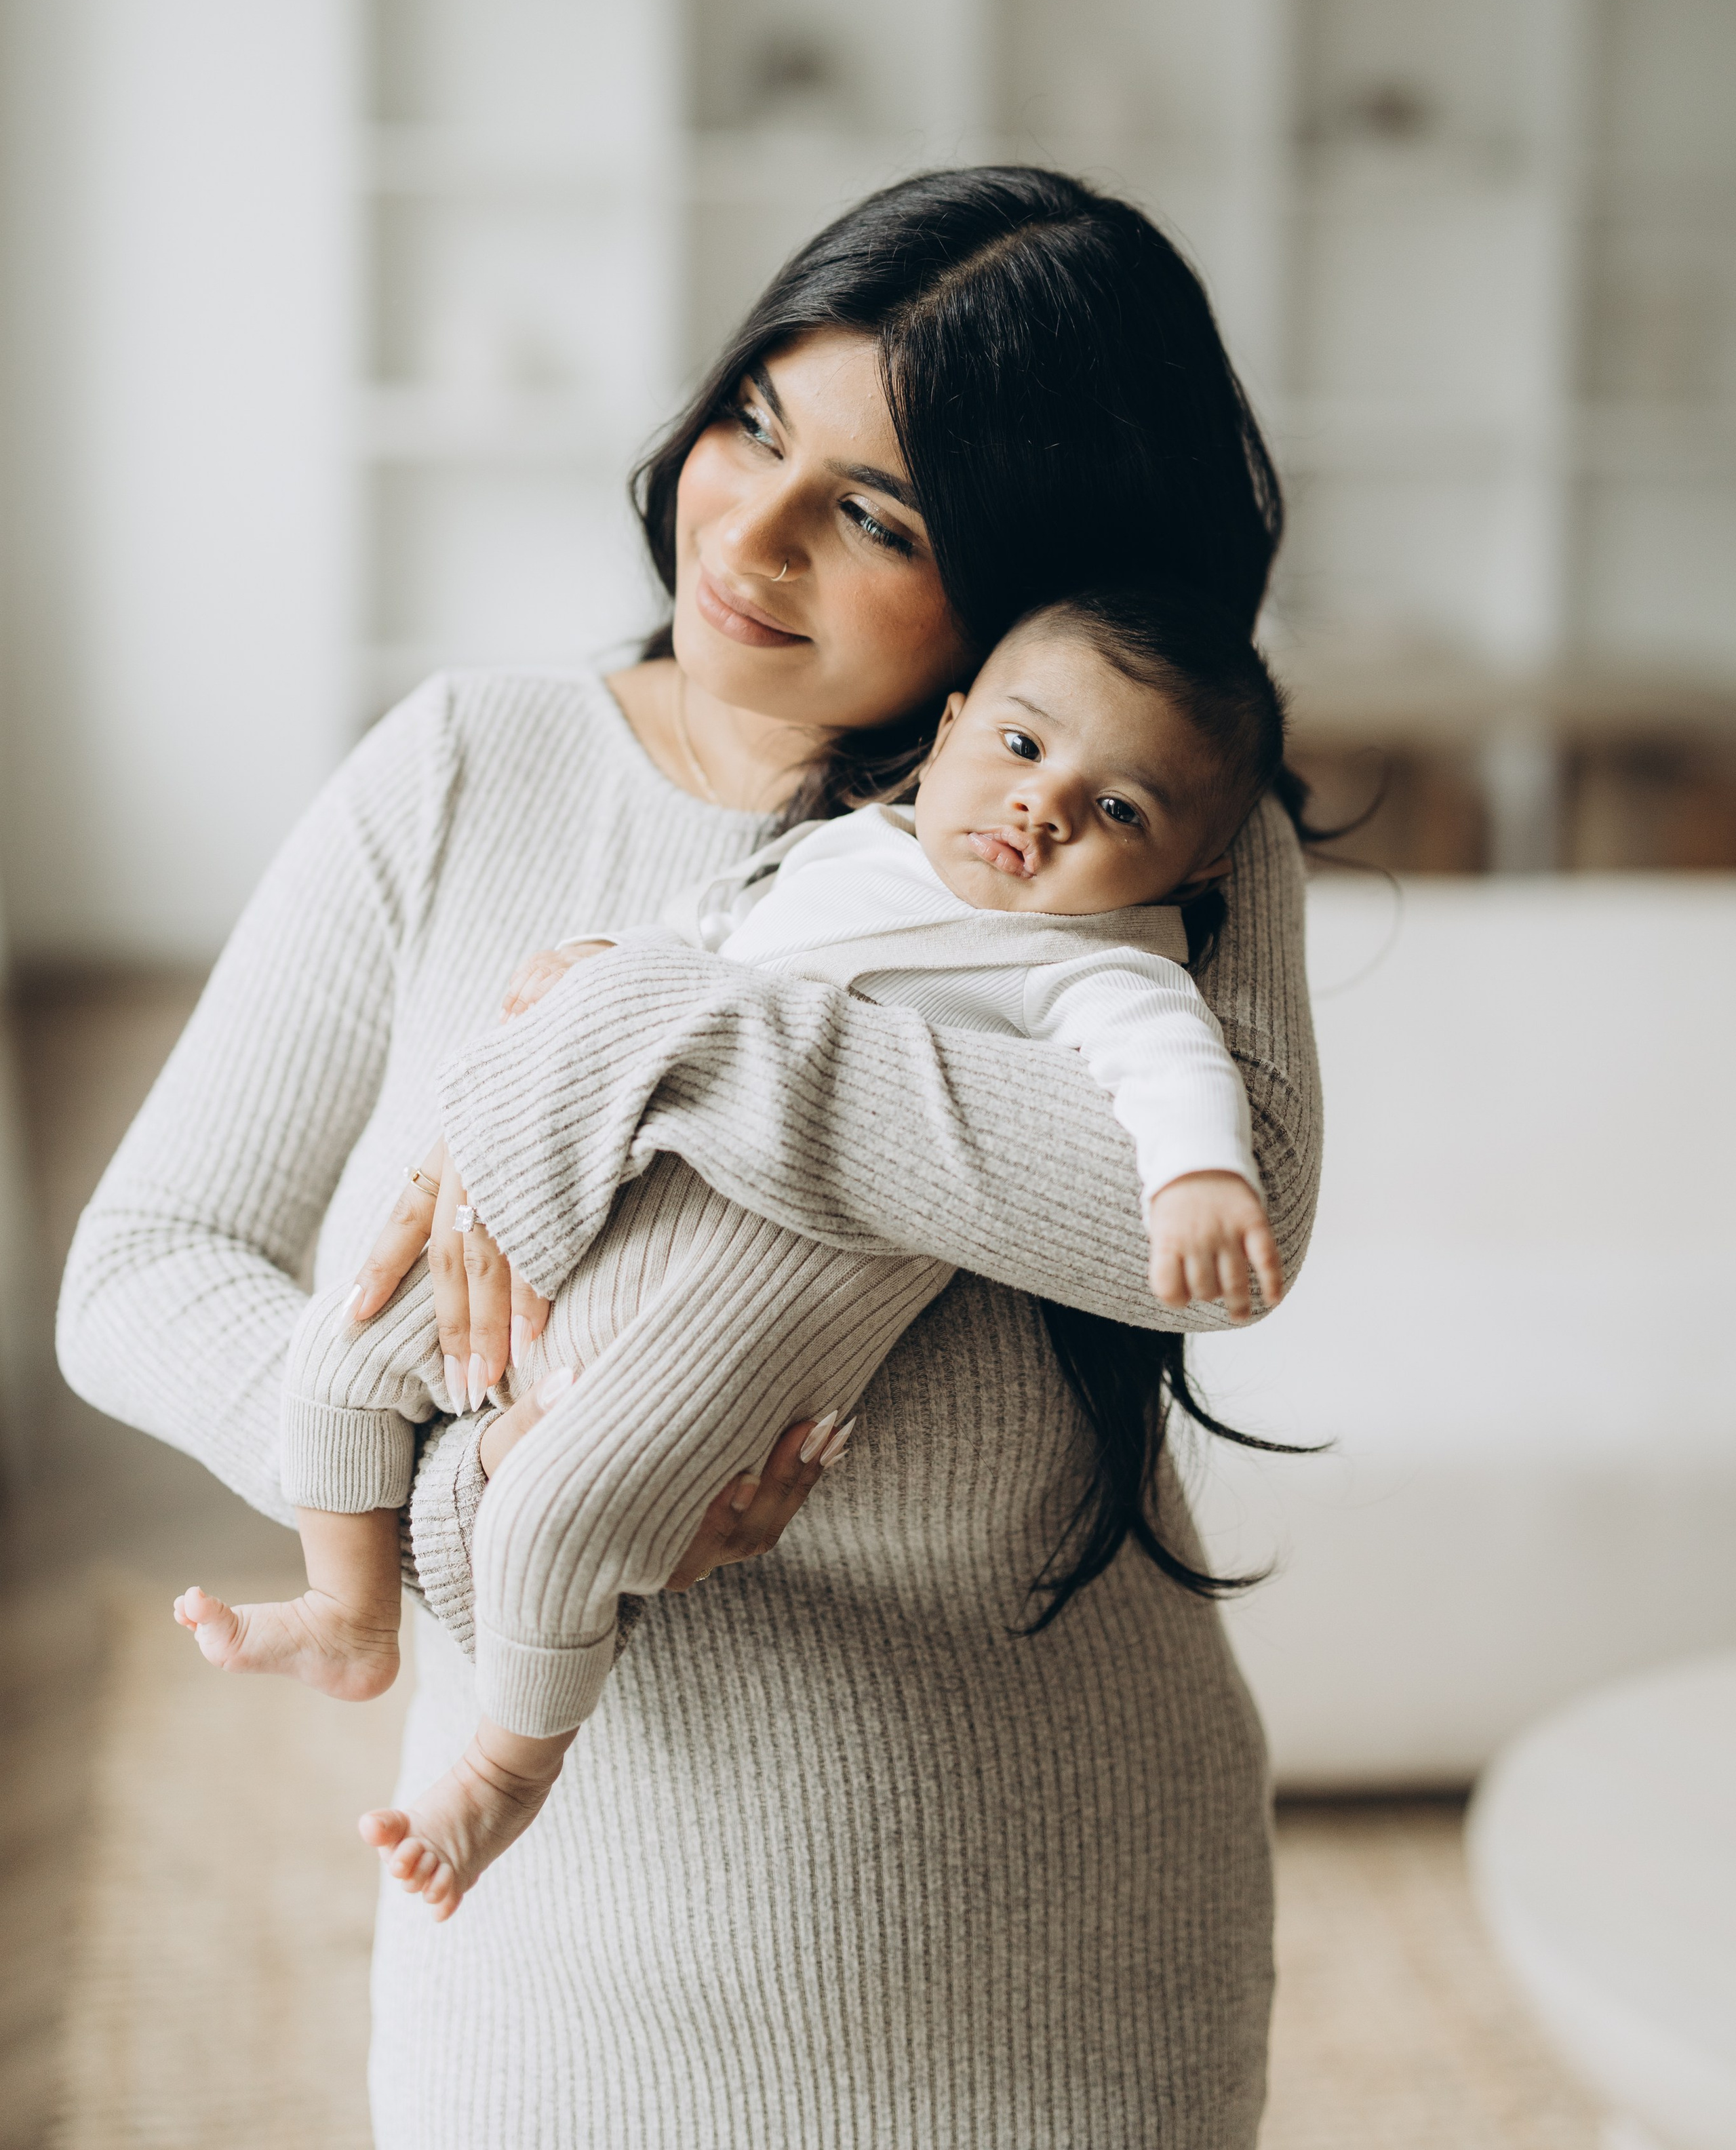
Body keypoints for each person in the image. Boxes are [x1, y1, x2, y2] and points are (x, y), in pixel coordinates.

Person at [59, 166, 1322, 2149]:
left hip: (1057, 1973)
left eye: (877, 515)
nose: (746, 531)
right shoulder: (470, 764)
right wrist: (473, 1492)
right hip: (548, 1983)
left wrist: (663, 1025)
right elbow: (143, 1266)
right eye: (754, 422)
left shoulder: (1126, 828)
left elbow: (1165, 1215)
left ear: (1035, 585)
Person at [174, 586, 1289, 1921]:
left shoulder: (1089, 962)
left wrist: (1198, 1176)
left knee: (558, 1512)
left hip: (766, 1279)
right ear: (945, 732)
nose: (1044, 807)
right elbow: (702, 938)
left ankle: (507, 1767)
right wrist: (606, 967)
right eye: (1020, 747)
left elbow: (1162, 1061)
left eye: (1119, 812)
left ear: (1191, 869)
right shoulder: (847, 848)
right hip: (608, 1190)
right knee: (343, 1340)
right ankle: (347, 1608)